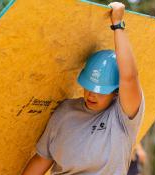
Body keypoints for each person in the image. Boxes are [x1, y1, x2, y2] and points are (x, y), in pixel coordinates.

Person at [21, 2, 145, 175]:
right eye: (88, 87)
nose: (91, 94)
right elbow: (42, 159)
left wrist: (117, 25)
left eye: (101, 91)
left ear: (116, 92)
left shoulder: (122, 118)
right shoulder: (65, 112)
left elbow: (130, 77)